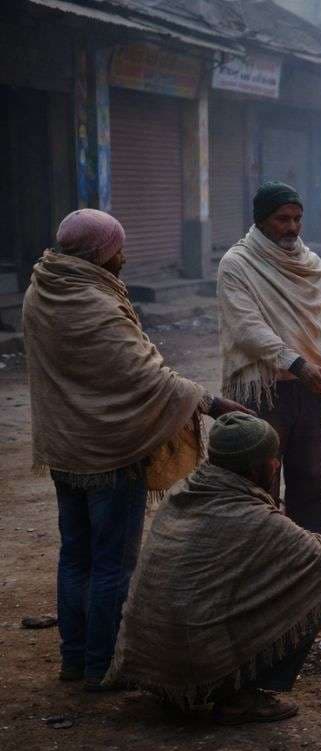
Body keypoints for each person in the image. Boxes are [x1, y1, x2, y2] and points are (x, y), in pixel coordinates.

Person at [22, 209, 249, 692]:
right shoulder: (96, 305)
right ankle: (101, 665)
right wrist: (208, 402)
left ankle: (75, 658)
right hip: (109, 453)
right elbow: (145, 376)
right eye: (118, 248)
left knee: (75, 557)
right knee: (111, 564)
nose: (124, 257)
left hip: (64, 449)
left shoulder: (42, 290)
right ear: (102, 252)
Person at [106, 412, 321, 722]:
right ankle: (238, 699)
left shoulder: (187, 492)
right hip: (192, 658)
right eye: (271, 458)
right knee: (317, 591)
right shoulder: (250, 516)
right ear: (252, 466)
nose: (277, 464)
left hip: (150, 659)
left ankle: (172, 692)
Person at [217, 181, 321, 533]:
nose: (292, 227)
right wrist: (296, 364)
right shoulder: (237, 263)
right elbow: (246, 328)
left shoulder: (311, 264)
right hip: (261, 390)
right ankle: (262, 565)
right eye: (283, 219)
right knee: (258, 484)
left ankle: (307, 560)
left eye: (297, 219)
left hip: (308, 390)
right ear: (262, 220)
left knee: (310, 479)